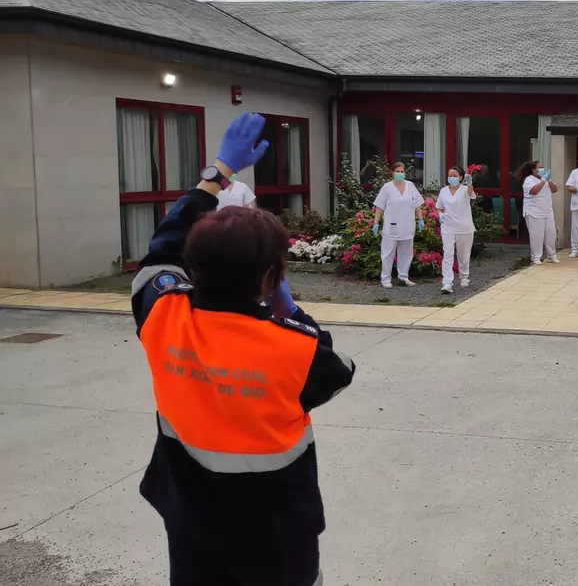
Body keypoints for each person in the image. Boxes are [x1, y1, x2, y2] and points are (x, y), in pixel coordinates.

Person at [130, 112, 355, 586]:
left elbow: (160, 250)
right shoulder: (295, 348)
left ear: (193, 266)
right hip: (277, 536)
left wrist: (217, 174)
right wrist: (291, 311)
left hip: (191, 527)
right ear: (271, 277)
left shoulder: (162, 316)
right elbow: (338, 369)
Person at [372, 161, 426, 288]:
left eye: (402, 171)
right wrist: (376, 223)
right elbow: (380, 206)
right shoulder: (387, 188)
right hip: (392, 225)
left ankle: (403, 277)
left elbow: (417, 205)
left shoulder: (410, 186)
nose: (400, 174)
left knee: (406, 252)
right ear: (392, 172)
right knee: (388, 253)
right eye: (397, 171)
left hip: (408, 225)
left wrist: (420, 219)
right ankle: (385, 278)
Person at [435, 166, 476, 294]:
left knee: (463, 254)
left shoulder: (465, 189)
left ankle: (464, 276)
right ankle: (447, 282)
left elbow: (471, 194)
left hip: (464, 227)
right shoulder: (443, 191)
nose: (451, 177)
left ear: (460, 177)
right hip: (448, 226)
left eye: (455, 175)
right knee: (448, 254)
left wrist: (470, 183)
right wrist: (440, 214)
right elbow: (439, 207)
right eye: (450, 175)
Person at [520, 160, 559, 265]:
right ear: (533, 170)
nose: (542, 169)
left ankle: (551, 255)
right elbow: (534, 191)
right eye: (539, 167)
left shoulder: (546, 179)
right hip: (534, 211)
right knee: (537, 236)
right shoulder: (529, 180)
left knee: (551, 234)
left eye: (542, 167)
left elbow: (555, 189)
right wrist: (542, 181)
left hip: (547, 211)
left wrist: (548, 180)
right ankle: (536, 257)